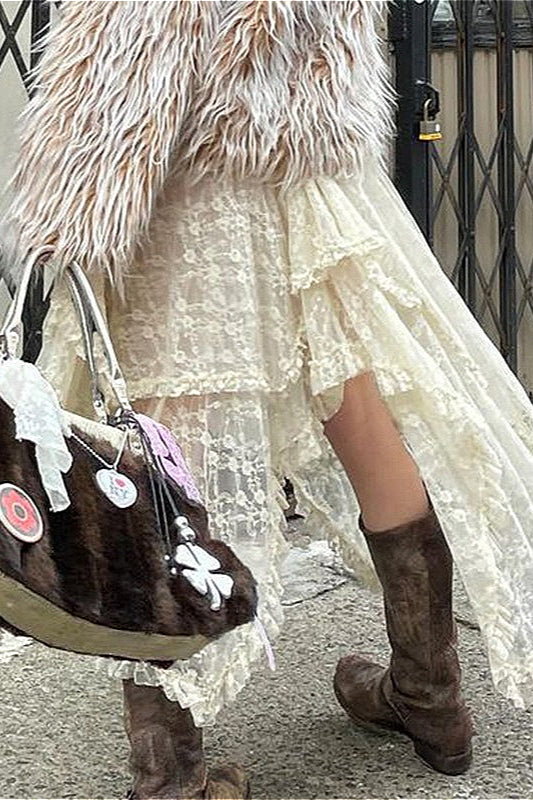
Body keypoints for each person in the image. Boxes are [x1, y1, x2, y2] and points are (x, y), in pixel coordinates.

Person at [2, 1, 533, 797]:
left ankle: (170, 774)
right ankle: (429, 696)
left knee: (158, 458)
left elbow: (123, 77)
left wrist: (62, 211)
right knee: (356, 407)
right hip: (307, 177)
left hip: (183, 196)